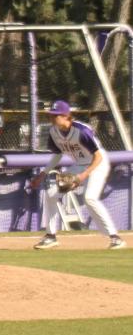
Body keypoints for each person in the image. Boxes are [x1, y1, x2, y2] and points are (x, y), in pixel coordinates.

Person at [31, 100, 125, 250]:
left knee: (89, 198)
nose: (52, 118)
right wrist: (42, 174)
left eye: (56, 116)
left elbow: (98, 156)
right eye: (51, 115)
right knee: (51, 194)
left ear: (66, 116)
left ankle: (115, 238)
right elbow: (57, 155)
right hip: (79, 165)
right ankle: (50, 236)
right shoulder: (53, 132)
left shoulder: (82, 130)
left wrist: (84, 175)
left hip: (98, 164)